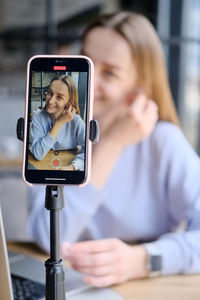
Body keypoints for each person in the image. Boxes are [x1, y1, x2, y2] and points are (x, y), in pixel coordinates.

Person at [28, 11, 200, 287]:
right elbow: (48, 238)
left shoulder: (164, 142)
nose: (88, 82)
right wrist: (110, 145)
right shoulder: (52, 133)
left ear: (139, 88)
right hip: (69, 285)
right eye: (86, 64)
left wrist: (144, 259)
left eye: (109, 72)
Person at [30, 75, 85, 171]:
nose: (50, 101)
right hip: (43, 167)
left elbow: (89, 152)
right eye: (50, 93)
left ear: (69, 102)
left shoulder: (76, 121)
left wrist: (72, 167)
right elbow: (38, 153)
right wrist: (59, 123)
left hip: (66, 166)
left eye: (59, 97)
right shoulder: (37, 116)